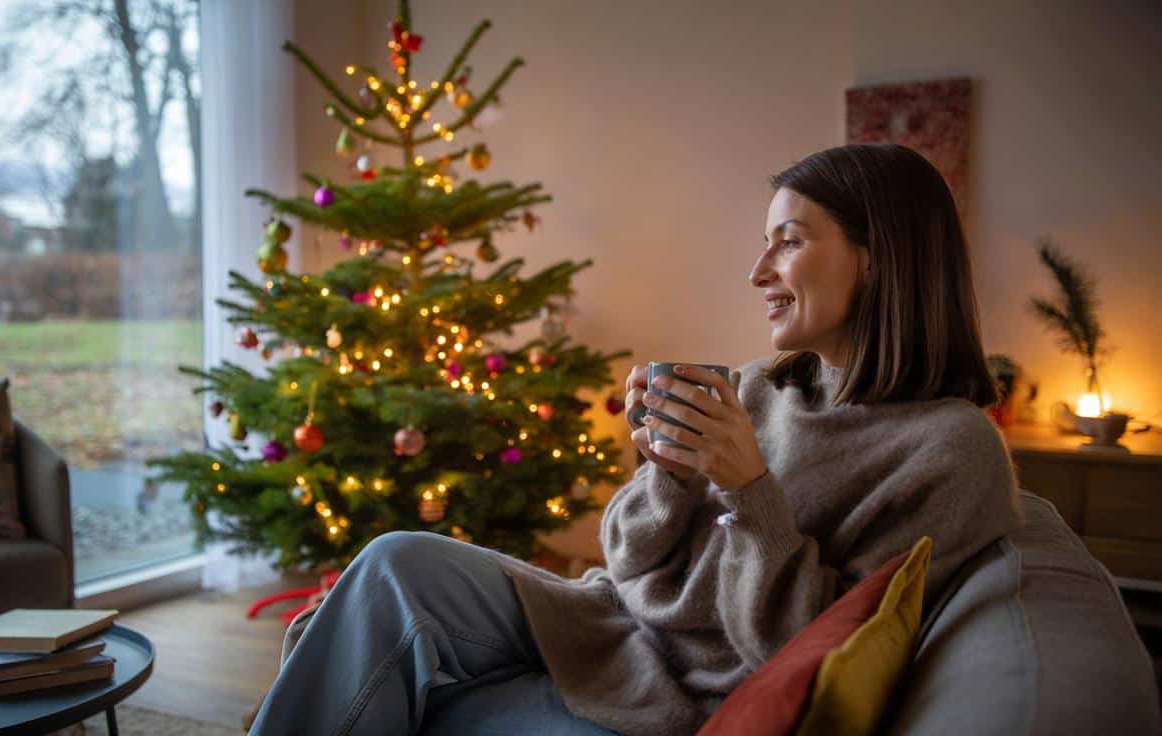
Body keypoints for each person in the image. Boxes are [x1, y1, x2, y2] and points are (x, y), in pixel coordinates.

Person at [247, 142, 1024, 736]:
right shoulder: (759, 386)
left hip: (683, 695)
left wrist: (752, 491)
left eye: (787, 241)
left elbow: (800, 653)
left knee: (380, 678)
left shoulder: (950, 451)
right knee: (394, 564)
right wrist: (664, 471)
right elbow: (629, 565)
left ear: (880, 256)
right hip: (612, 624)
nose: (758, 270)